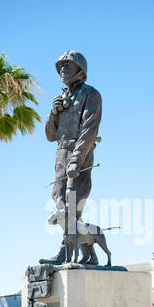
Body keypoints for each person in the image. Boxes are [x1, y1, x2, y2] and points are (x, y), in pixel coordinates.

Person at [45, 51, 102, 265]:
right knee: (60, 202)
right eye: (60, 65)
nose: (63, 69)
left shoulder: (91, 94)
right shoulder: (61, 98)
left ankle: (65, 250)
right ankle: (88, 252)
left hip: (81, 152)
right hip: (61, 153)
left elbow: (89, 129)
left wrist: (77, 159)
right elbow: (50, 136)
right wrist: (54, 113)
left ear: (80, 69)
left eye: (68, 65)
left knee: (72, 204)